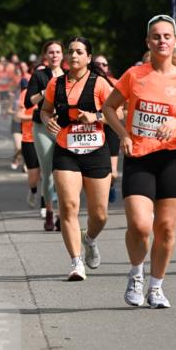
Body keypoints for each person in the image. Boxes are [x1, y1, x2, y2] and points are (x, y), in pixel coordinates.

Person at [102, 14, 176, 308]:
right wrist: (122, 133)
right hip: (139, 157)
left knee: (166, 228)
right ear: (148, 42)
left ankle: (156, 286)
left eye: (167, 36)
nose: (162, 41)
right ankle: (136, 273)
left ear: (175, 42)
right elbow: (109, 108)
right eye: (156, 36)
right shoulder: (135, 75)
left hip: (173, 158)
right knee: (139, 225)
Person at [40, 38, 113, 281]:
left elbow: (119, 111)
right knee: (69, 206)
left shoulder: (99, 83)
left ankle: (89, 239)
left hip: (96, 150)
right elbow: (45, 109)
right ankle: (76, 262)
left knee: (100, 214)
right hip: (66, 148)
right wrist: (47, 119)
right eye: (70, 52)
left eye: (79, 52)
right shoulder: (55, 83)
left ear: (89, 58)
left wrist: (96, 116)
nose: (73, 56)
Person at [26, 40, 65, 231]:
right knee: (48, 171)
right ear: (45, 56)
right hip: (42, 127)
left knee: (63, 172)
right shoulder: (40, 75)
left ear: (63, 55)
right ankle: (50, 212)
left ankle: (62, 214)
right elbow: (28, 102)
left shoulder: (69, 76)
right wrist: (45, 90)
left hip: (63, 127)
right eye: (51, 52)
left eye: (58, 52)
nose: (55, 55)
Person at [94, 55, 123, 204]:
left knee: (113, 173)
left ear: (107, 67)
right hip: (92, 131)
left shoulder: (115, 83)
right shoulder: (87, 83)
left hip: (110, 128)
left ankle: (110, 186)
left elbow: (119, 112)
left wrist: (95, 116)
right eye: (97, 64)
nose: (100, 67)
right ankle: (101, 198)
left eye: (103, 64)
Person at [16, 86, 40, 206]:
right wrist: (36, 117)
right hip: (30, 139)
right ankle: (33, 190)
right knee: (34, 176)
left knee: (48, 175)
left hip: (52, 138)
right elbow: (19, 116)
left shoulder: (57, 89)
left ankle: (45, 206)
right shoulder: (27, 93)